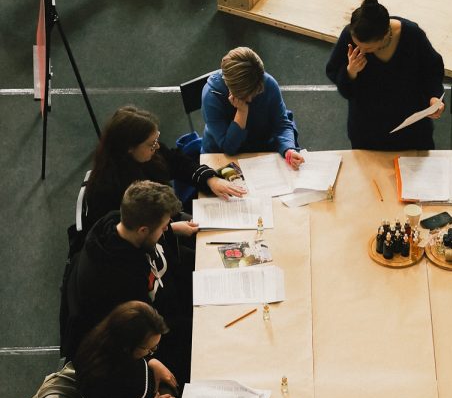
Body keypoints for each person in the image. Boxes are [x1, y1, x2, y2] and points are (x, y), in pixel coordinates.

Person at [62, 181, 190, 369]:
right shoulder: (116, 281)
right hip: (158, 335)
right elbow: (146, 334)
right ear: (143, 230)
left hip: (173, 303)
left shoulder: (118, 221)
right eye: (164, 226)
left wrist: (172, 229)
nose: (166, 228)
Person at [83, 106, 244, 234]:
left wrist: (210, 179)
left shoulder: (150, 154)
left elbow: (179, 163)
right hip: (150, 241)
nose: (158, 147)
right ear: (129, 148)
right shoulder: (106, 189)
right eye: (151, 144)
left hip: (164, 221)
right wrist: (169, 229)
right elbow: (122, 234)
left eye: (157, 139)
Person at [326, 0, 445, 151]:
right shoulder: (348, 36)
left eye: (369, 48)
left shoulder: (412, 34)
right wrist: (350, 72)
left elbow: (432, 70)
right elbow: (341, 83)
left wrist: (434, 96)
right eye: (358, 45)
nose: (361, 51)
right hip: (367, 131)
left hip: (412, 130)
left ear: (386, 35)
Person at [202, 47, 302, 161]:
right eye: (245, 95)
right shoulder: (211, 97)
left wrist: (288, 149)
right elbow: (229, 147)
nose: (250, 100)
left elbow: (281, 124)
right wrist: (242, 112)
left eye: (255, 93)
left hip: (260, 148)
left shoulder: (267, 83)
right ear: (231, 88)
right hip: (221, 155)